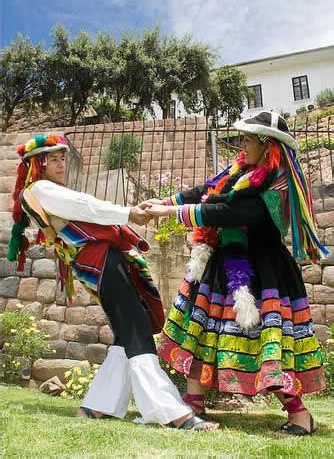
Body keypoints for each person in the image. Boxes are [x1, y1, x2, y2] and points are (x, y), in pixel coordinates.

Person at [7, 133, 219, 431]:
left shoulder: (46, 190)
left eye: (61, 158)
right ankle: (171, 413)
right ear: (36, 165)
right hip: (99, 259)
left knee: (128, 330)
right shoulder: (42, 189)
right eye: (51, 159)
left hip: (100, 260)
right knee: (136, 328)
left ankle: (97, 407)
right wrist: (128, 212)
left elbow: (83, 207)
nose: (59, 163)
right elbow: (86, 206)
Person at [145, 111, 328, 436]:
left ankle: (300, 414)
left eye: (247, 138)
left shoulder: (280, 185)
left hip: (263, 274)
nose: (240, 143)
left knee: (263, 342)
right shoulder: (242, 170)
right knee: (203, 333)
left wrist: (172, 213)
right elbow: (209, 190)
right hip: (222, 263)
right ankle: (192, 405)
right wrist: (166, 200)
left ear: (267, 144)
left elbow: (232, 212)